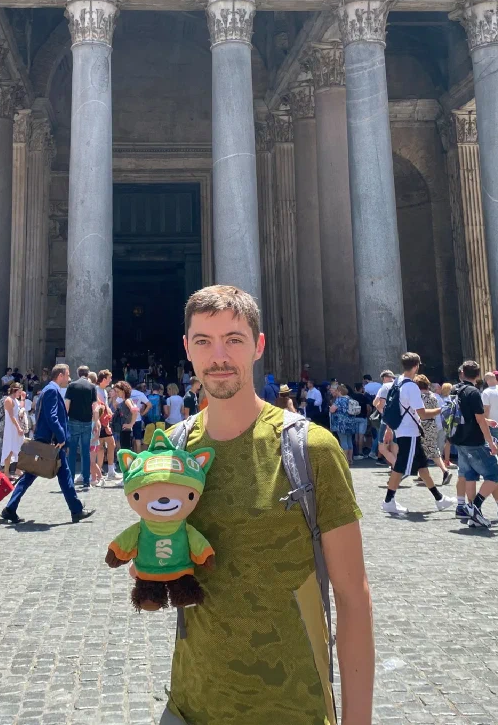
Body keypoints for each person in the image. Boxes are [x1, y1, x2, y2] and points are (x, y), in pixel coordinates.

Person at [161, 285, 373, 725]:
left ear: (258, 346)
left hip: (293, 710)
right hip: (188, 706)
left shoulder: (312, 448)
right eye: (204, 341)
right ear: (187, 349)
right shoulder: (173, 450)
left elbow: (353, 597)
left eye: (233, 339)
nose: (219, 356)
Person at [0, 364, 92, 524]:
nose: (69, 378)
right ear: (60, 375)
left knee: (37, 474)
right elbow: (52, 417)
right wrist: (61, 438)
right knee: (57, 475)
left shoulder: (49, 390)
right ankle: (76, 510)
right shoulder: (52, 391)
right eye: (67, 375)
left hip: (47, 440)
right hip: (50, 442)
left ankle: (10, 508)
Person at [381, 353, 454, 516]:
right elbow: (422, 414)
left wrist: (389, 429)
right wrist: (442, 409)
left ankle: (439, 498)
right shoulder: (411, 386)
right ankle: (388, 501)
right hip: (409, 432)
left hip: (402, 429)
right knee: (400, 467)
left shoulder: (398, 381)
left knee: (422, 466)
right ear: (416, 366)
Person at [450, 361, 498, 525]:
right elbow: (479, 419)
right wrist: (491, 442)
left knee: (469, 476)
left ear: (462, 373)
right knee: (494, 474)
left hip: (459, 438)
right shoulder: (474, 392)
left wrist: (486, 421)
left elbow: (463, 415)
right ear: (478, 375)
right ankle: (474, 507)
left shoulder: (455, 390)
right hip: (474, 440)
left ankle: (475, 514)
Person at [65, 366, 97, 488]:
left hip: (73, 421)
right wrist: (96, 422)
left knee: (72, 451)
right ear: (88, 374)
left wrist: (64, 421)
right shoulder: (92, 387)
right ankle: (86, 480)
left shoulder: (72, 386)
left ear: (78, 374)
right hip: (87, 422)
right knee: (85, 452)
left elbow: (67, 405)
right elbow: (95, 407)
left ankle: (70, 479)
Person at [415, 375, 450, 484]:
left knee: (429, 450)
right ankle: (422, 474)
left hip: (422, 424)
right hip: (432, 423)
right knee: (426, 449)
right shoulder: (433, 396)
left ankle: (444, 471)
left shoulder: (419, 396)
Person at [0, 382, 27, 478]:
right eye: (19, 391)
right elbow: (11, 416)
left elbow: (20, 408)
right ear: (15, 390)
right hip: (11, 428)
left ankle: (17, 469)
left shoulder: (15, 400)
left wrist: (23, 398)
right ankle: (6, 472)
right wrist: (18, 427)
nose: (20, 393)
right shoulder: (8, 400)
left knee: (19, 447)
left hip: (16, 427)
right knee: (9, 449)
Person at [371, 369, 397, 466]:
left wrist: (382, 412)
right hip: (400, 420)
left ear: (385, 378)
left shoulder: (385, 387)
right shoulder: (400, 385)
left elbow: (376, 403)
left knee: (382, 446)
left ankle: (396, 465)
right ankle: (395, 467)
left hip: (387, 420)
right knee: (395, 444)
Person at [329, 383, 357, 466]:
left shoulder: (339, 400)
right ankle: (350, 459)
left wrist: (330, 408)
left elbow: (332, 410)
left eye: (337, 391)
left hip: (341, 424)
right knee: (349, 441)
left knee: (343, 441)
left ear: (340, 391)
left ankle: (345, 460)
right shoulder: (349, 398)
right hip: (350, 422)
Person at [129, 383, 151, 453]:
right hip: (137, 418)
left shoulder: (125, 392)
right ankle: (138, 454)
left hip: (127, 419)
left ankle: (130, 454)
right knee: (138, 438)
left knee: (127, 438)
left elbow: (116, 403)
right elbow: (149, 405)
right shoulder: (140, 394)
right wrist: (142, 414)